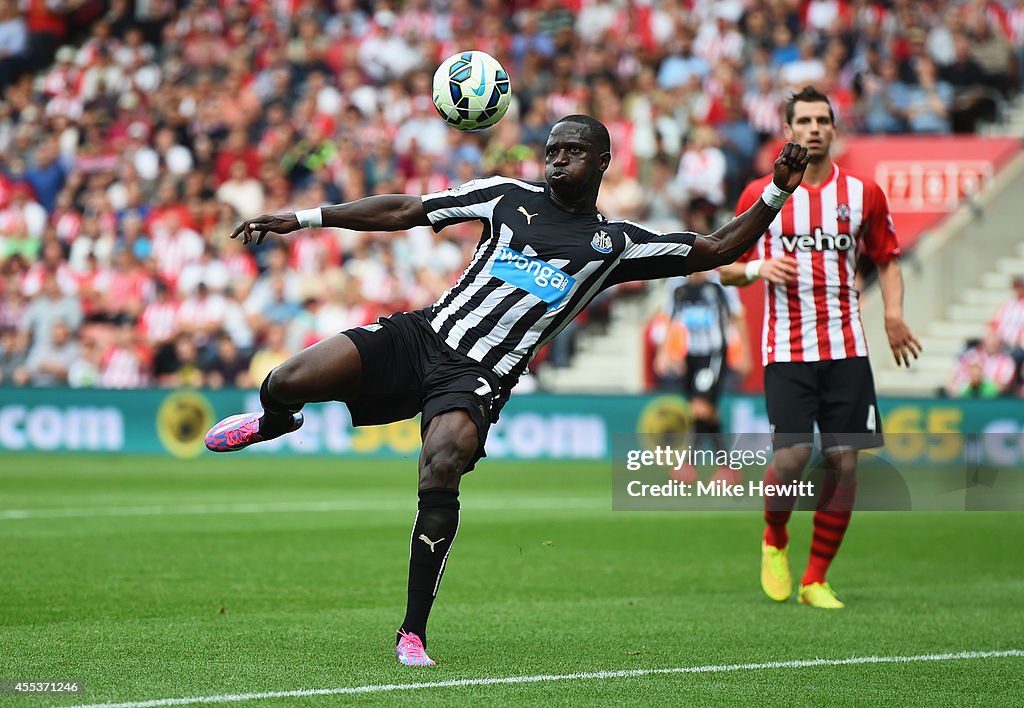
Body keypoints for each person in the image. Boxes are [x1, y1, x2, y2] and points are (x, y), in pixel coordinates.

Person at [205, 115, 810, 666]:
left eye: (573, 151)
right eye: (552, 150)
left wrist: (777, 191)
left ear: (601, 162)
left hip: (479, 375)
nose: (557, 159)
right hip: (423, 335)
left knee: (440, 462)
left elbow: (720, 248)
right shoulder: (506, 196)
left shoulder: (616, 245)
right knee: (284, 380)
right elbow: (407, 210)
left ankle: (412, 630)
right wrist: (305, 219)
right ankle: (279, 420)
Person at [719, 88, 921, 610]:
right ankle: (775, 536)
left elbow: (889, 259)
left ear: (834, 130)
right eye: (804, 120)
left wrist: (892, 313)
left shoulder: (863, 194)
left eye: (822, 120)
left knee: (844, 464)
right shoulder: (759, 195)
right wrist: (759, 268)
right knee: (790, 456)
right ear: (788, 130)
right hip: (786, 349)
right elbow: (724, 265)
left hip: (847, 349)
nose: (813, 128)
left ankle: (815, 579)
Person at [655, 271, 750, 484]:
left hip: (714, 354)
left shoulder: (720, 283)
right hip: (690, 356)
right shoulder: (676, 285)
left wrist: (745, 354)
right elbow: (669, 319)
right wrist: (664, 353)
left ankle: (690, 464)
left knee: (700, 408)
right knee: (706, 413)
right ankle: (728, 468)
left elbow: (737, 316)